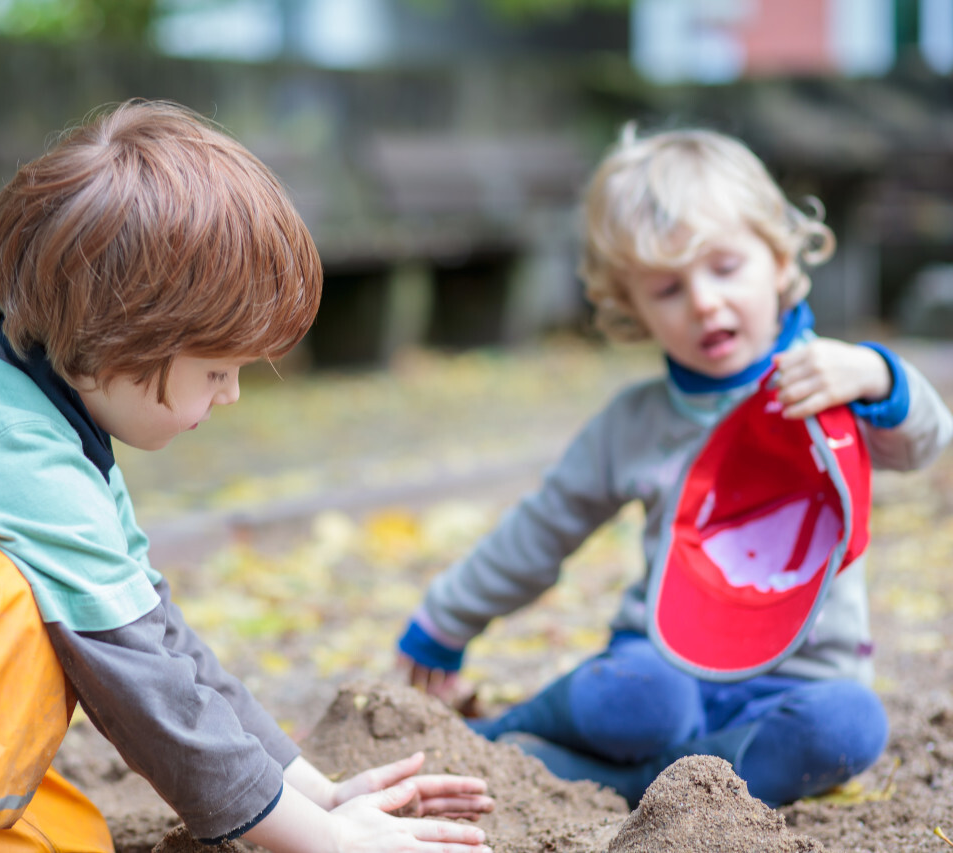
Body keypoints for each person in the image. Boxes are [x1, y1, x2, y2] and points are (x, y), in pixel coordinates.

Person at [0, 99, 494, 853]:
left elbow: (160, 632)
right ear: (116, 343)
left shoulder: (42, 431)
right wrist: (326, 843)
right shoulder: (11, 453)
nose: (234, 393)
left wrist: (315, 792)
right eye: (216, 370)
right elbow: (146, 693)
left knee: (62, 833)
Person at [396, 125, 953, 809]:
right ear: (632, 308)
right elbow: (542, 529)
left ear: (779, 260)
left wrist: (876, 372)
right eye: (667, 288)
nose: (703, 302)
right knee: (639, 698)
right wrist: (446, 620)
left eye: (725, 268)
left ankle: (654, 786)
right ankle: (495, 737)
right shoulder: (634, 422)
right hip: (664, 662)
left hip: (797, 681)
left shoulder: (829, 381)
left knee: (851, 724)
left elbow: (924, 439)